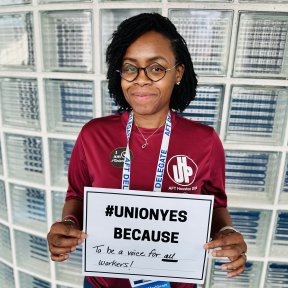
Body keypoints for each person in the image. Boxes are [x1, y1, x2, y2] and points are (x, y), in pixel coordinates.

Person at [47, 13, 247, 288]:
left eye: (156, 68)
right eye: (130, 68)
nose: (140, 80)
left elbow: (216, 206)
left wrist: (227, 232)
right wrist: (68, 224)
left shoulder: (204, 141)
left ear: (178, 73)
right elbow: (77, 196)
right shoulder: (94, 135)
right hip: (100, 283)